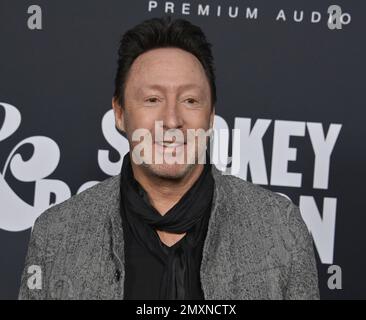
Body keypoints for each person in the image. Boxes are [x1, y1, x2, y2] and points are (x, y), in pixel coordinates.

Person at [18, 15, 319, 300]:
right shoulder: (57, 234)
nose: (172, 120)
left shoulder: (280, 228)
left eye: (190, 100)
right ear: (120, 114)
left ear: (211, 116)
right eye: (152, 100)